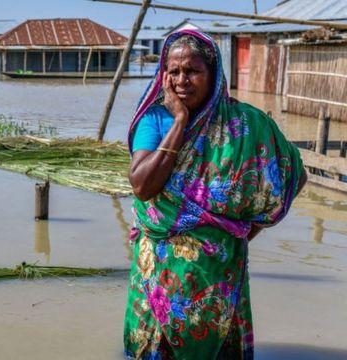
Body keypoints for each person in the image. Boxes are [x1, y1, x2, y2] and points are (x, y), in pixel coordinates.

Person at [123, 29, 306, 360]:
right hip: (160, 270)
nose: (182, 80)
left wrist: (242, 233)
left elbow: (293, 175)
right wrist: (179, 122)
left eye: (192, 71)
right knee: (158, 348)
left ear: (213, 74)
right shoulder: (155, 119)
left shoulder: (245, 124)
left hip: (219, 269)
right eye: (174, 71)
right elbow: (142, 186)